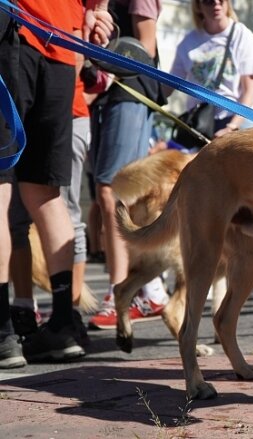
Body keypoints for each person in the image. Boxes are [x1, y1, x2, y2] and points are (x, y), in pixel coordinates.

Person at [0, 0, 113, 368]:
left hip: (14, 32)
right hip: (62, 46)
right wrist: (94, 13)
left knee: (1, 189)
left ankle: (3, 333)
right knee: (46, 194)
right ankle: (63, 323)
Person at [88, 0, 170, 330]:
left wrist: (105, 76)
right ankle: (151, 289)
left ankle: (122, 291)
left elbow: (143, 51)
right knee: (107, 194)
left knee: (113, 193)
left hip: (128, 91)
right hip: (103, 93)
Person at [168, 0, 253, 138]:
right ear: (198, 6)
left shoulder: (241, 35)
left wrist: (232, 126)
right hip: (201, 122)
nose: (216, 4)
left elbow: (249, 91)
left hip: (239, 118)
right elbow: (169, 85)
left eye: (221, 0)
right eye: (209, 1)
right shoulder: (188, 42)